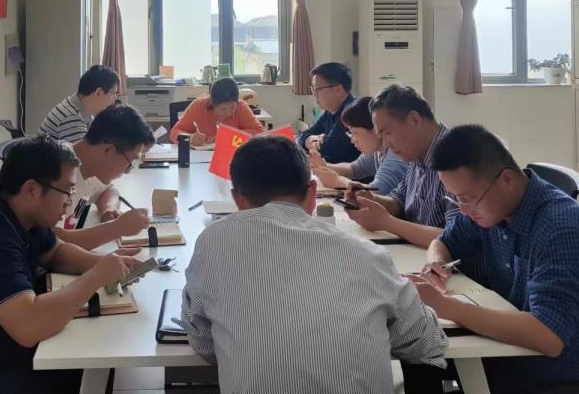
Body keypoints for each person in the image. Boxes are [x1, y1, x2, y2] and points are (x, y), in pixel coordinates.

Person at [181, 134, 448, 394]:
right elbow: (425, 343)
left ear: (237, 198)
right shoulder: (369, 256)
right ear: (312, 192)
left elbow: (202, 341)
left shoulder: (213, 242)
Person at [409, 124, 579, 393]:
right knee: (418, 360)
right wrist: (436, 262)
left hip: (565, 377)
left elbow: (548, 336)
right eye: (456, 199)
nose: (463, 210)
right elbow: (443, 241)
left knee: (429, 364)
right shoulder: (491, 209)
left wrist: (446, 306)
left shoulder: (562, 228)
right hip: (513, 357)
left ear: (507, 180)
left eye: (467, 198)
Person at [0, 135, 141, 394]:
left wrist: (104, 264)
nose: (69, 202)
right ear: (31, 189)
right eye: (67, 191)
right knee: (90, 364)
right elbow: (29, 327)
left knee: (97, 356)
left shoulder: (17, 207)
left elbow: (55, 252)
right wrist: (95, 277)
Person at [341, 84, 457, 248]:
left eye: (388, 133)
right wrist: (368, 199)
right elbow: (398, 201)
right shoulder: (416, 153)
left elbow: (456, 238)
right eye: (381, 136)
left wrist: (386, 222)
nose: (386, 144)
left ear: (414, 119)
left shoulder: (456, 157)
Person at [55, 105, 156, 251]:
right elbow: (53, 244)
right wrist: (117, 228)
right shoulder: (56, 171)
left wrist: (108, 209)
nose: (127, 172)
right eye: (130, 163)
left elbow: (109, 190)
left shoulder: (88, 166)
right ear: (109, 150)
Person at [308, 96, 408, 194]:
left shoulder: (396, 153)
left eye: (355, 133)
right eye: (350, 133)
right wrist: (324, 166)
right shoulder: (377, 150)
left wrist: (336, 180)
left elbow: (376, 192)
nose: (352, 140)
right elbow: (354, 169)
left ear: (376, 129)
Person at [170, 77, 263, 147]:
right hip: (201, 158)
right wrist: (191, 138)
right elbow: (174, 132)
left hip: (233, 157)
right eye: (223, 109)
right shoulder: (198, 106)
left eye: (232, 107)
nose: (228, 113)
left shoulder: (241, 106)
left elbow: (260, 133)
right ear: (212, 103)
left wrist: (226, 135)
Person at [40, 64, 120, 143]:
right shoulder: (72, 118)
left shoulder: (81, 107)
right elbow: (87, 151)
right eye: (113, 94)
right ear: (98, 92)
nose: (113, 101)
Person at [297, 62, 359, 163]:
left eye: (317, 89)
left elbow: (328, 149)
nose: (314, 95)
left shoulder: (353, 112)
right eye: (313, 89)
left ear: (338, 90)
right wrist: (313, 139)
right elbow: (301, 136)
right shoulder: (330, 112)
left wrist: (310, 141)